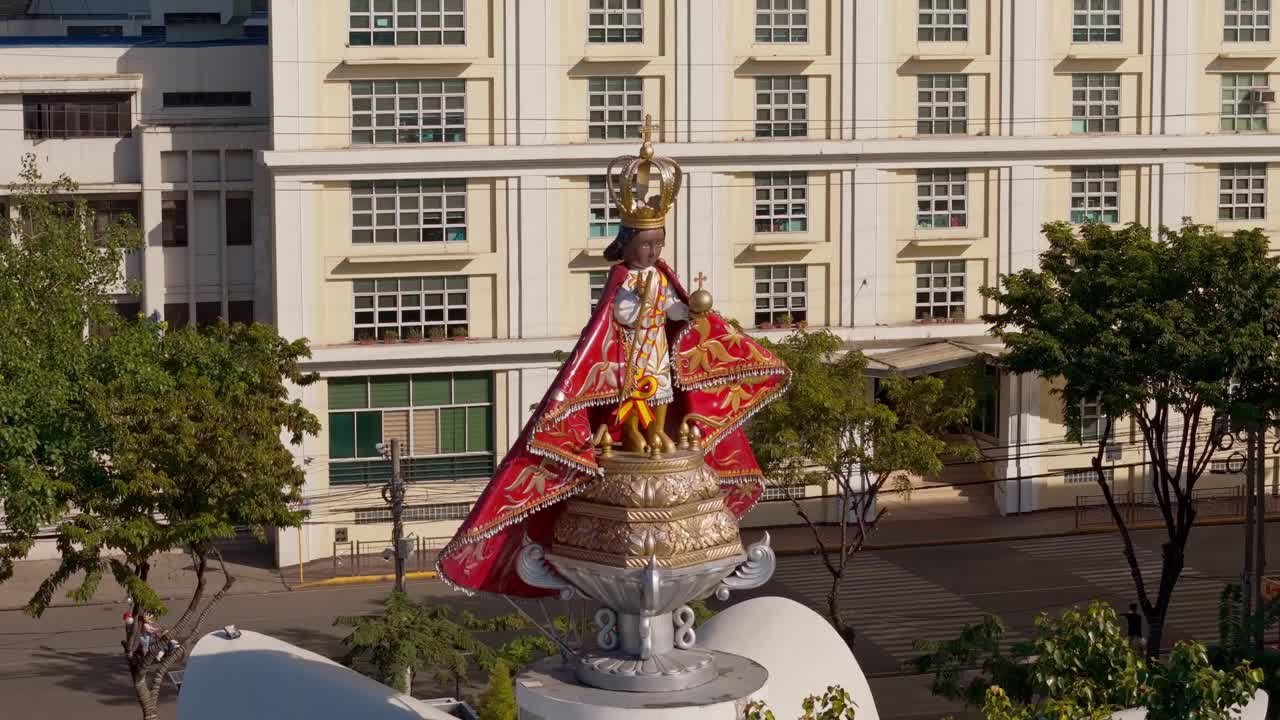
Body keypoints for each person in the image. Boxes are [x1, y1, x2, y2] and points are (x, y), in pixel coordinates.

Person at [436, 119, 790, 597]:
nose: (652, 250)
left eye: (658, 244)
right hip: (628, 356)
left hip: (657, 351)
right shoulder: (623, 279)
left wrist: (691, 307)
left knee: (663, 395)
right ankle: (641, 440)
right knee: (635, 403)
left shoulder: (660, 277)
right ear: (626, 244)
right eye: (646, 244)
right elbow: (619, 314)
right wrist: (642, 305)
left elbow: (673, 309)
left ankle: (660, 440)